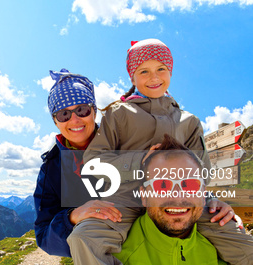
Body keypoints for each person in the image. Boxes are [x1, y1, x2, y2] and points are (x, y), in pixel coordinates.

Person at [69, 38, 253, 264]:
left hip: (183, 196)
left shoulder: (189, 121)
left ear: (171, 72)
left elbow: (202, 169)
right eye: (144, 71)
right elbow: (93, 161)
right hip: (125, 199)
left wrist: (211, 197)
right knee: (84, 239)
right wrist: (140, 161)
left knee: (243, 245)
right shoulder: (118, 115)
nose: (154, 77)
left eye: (161, 69)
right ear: (132, 77)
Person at [33, 69, 122, 257]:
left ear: (94, 111)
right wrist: (72, 217)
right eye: (64, 114)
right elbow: (43, 236)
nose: (74, 119)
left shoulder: (122, 143)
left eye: (82, 110)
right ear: (55, 121)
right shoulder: (51, 168)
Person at [114, 134, 238, 264]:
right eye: (162, 185)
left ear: (203, 194)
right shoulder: (113, 257)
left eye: (190, 184)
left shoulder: (225, 255)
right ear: (144, 196)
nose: (178, 196)